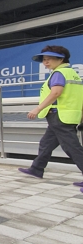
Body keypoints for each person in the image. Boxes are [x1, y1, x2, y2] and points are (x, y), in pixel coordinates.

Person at [19, 45, 83, 187]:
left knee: (72, 148)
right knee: (46, 144)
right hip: (67, 115)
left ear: (60, 59)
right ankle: (36, 169)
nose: (45, 62)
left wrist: (37, 109)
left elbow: (55, 93)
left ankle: (36, 169)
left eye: (49, 59)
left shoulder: (58, 74)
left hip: (59, 115)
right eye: (44, 60)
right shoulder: (72, 73)